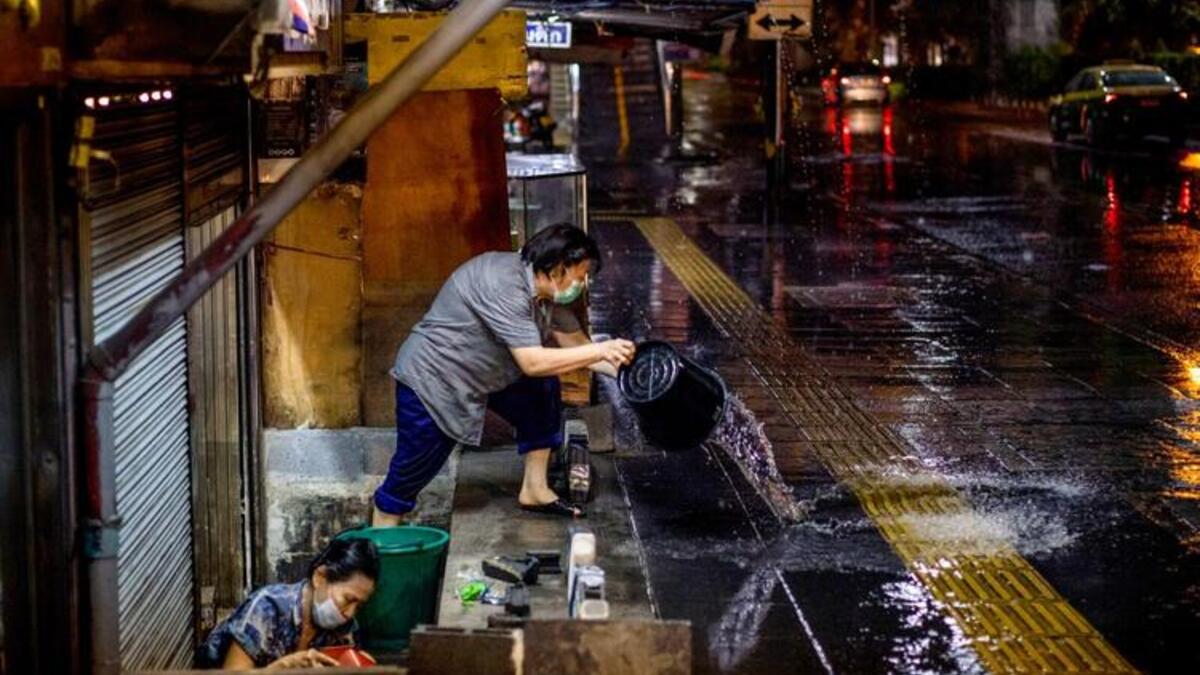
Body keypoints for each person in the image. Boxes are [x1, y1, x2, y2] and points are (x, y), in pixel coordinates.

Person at [373, 224, 635, 524]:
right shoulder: (503, 285)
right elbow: (533, 362)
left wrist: (632, 372)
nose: (582, 283)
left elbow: (579, 348)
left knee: (541, 387)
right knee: (412, 471)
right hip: (435, 381)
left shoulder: (547, 296)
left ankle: (535, 489)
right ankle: (380, 542)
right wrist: (600, 351)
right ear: (556, 268)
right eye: (579, 275)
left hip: (483, 373)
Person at [197, 538, 379, 670]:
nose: (350, 613)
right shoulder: (266, 608)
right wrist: (284, 667)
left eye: (359, 606)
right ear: (320, 577)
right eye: (348, 600)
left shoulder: (345, 629)